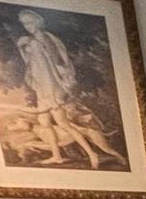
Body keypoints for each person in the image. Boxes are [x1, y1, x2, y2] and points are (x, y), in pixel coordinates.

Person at [12, 9, 128, 168]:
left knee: (64, 124)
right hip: (42, 88)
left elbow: (52, 67)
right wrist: (21, 49)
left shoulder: (44, 39)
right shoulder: (32, 41)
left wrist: (53, 95)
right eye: (25, 24)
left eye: (30, 22)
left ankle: (91, 153)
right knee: (44, 122)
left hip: (50, 88)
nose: (27, 26)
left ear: (37, 22)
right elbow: (31, 66)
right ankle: (57, 156)